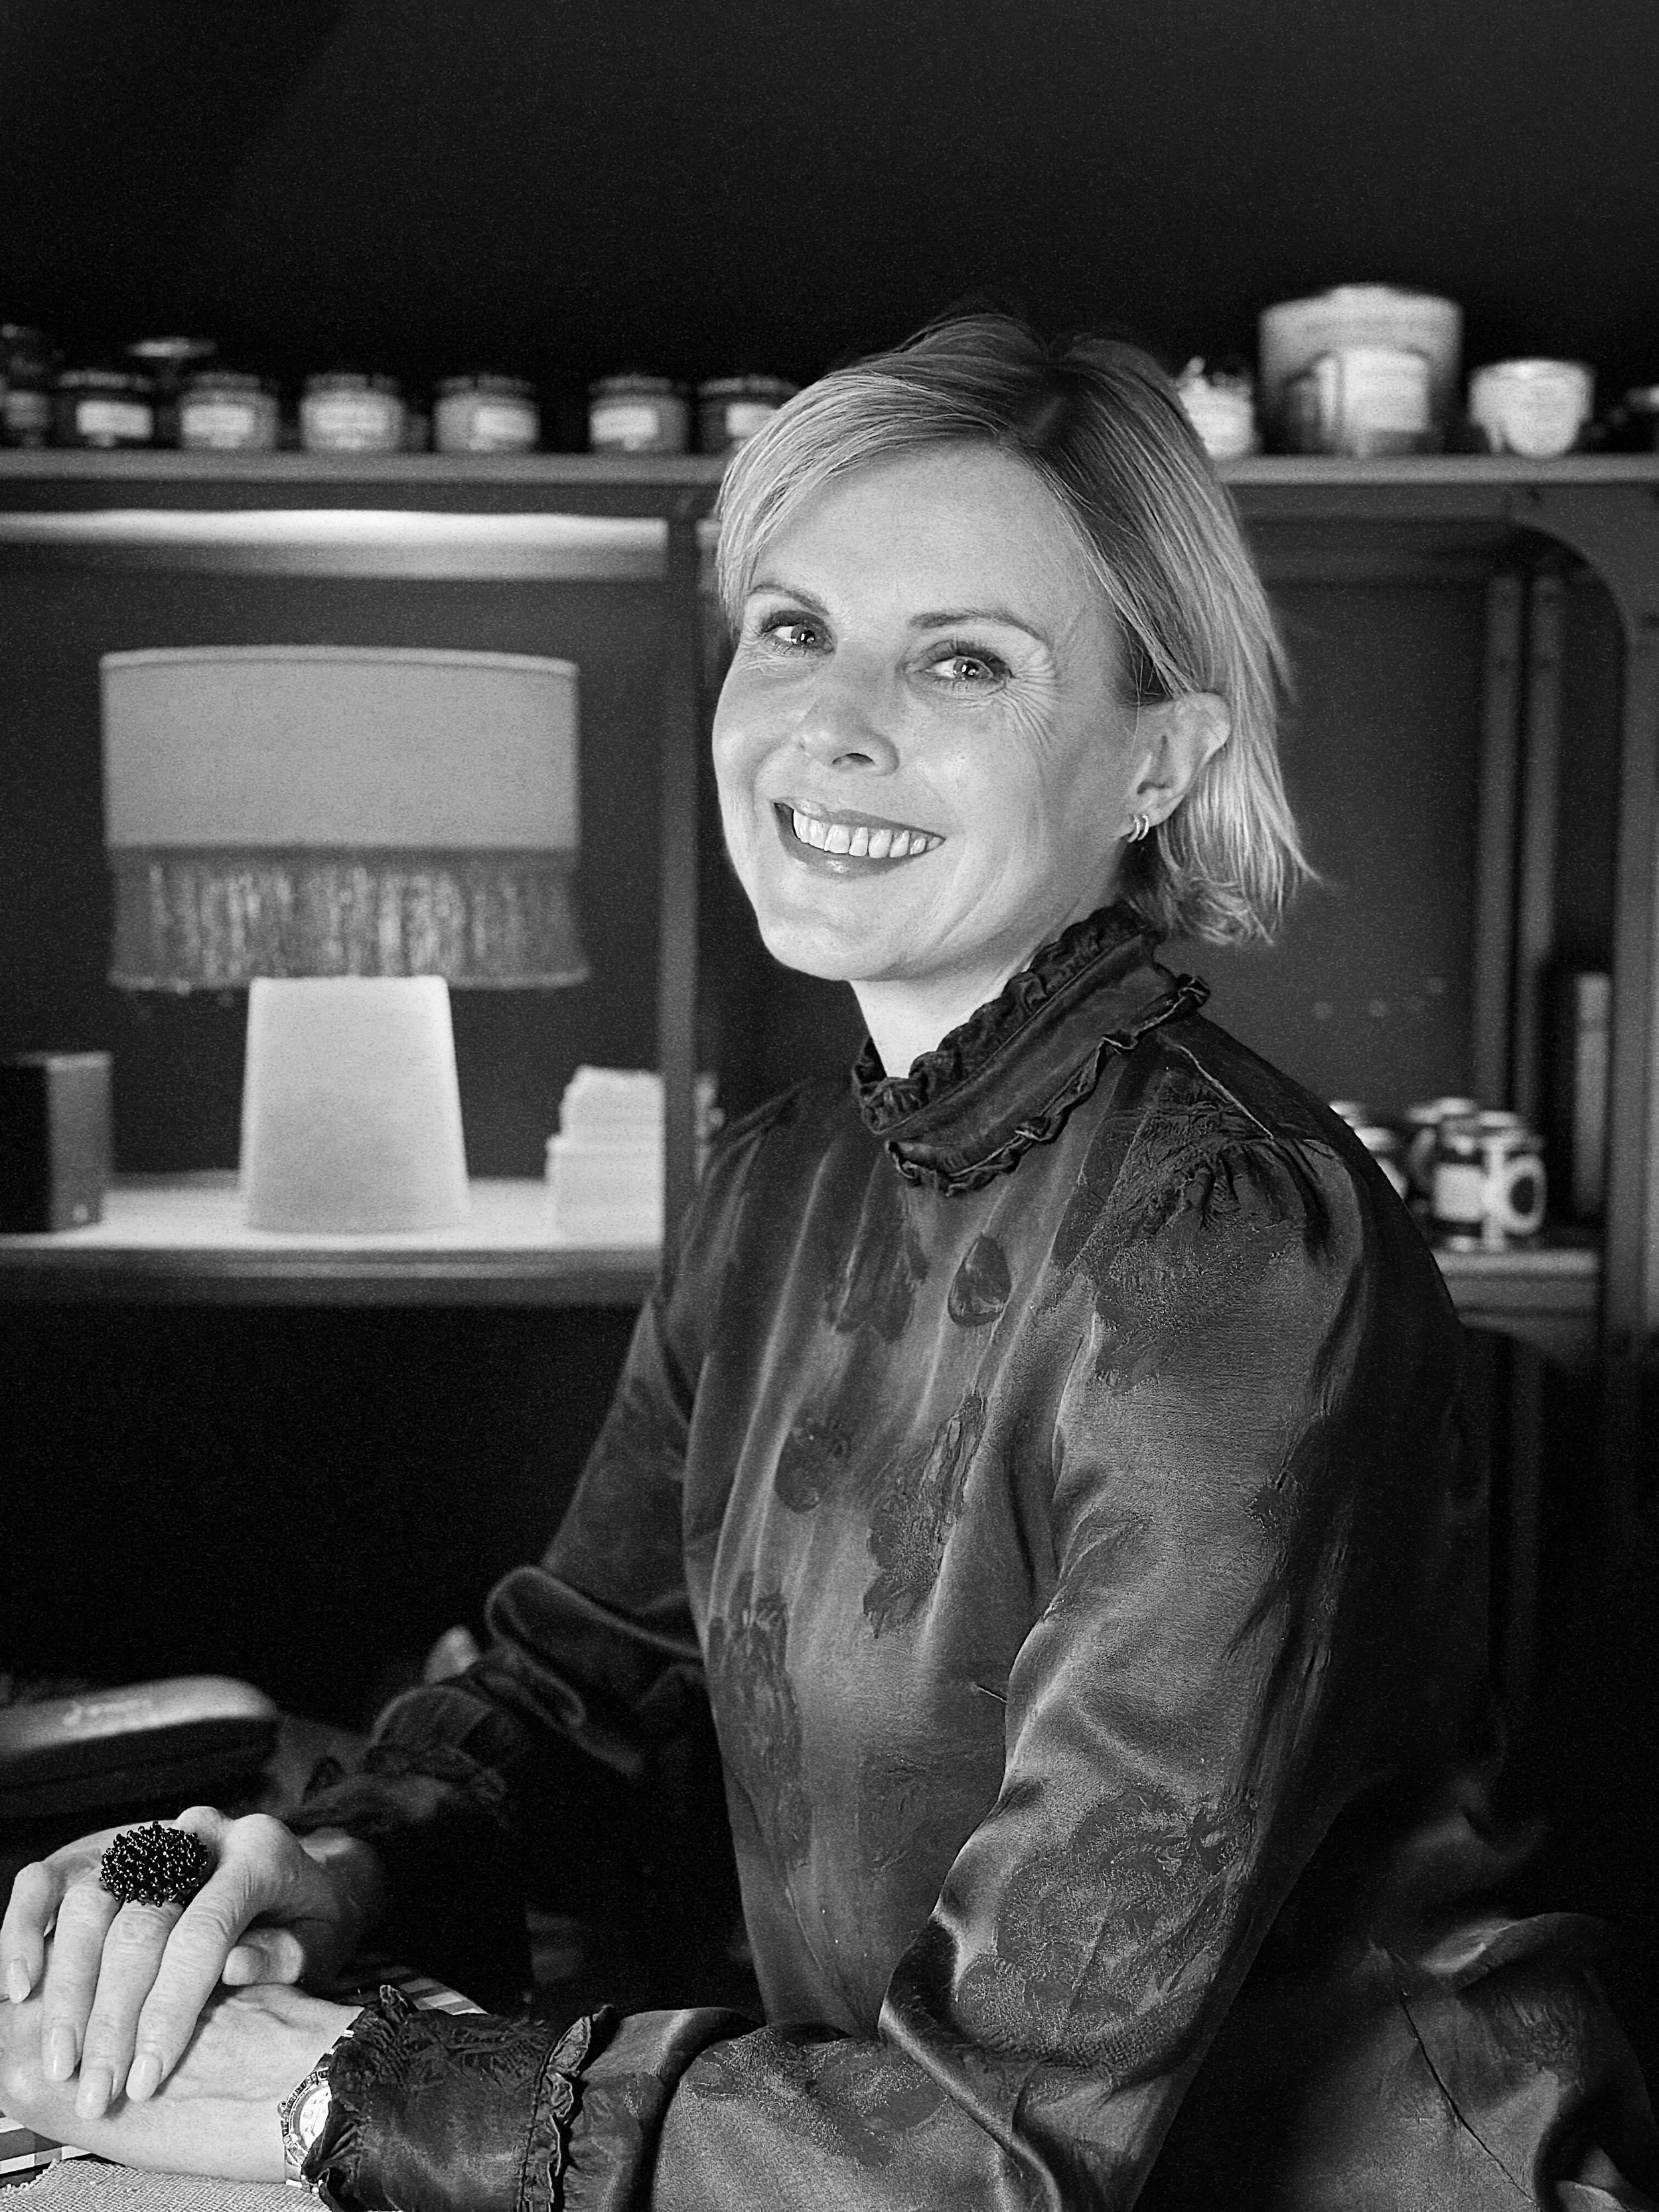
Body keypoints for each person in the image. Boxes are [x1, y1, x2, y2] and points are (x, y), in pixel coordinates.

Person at [3, 313, 1656, 2209]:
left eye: (962, 659)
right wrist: (333, 1861)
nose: (831, 722)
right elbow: (586, 1683)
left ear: (1158, 760)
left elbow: (996, 2138)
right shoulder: (777, 1178)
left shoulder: (1230, 1244)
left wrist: (341, 2095)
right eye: (793, 628)